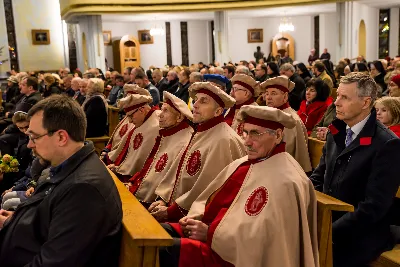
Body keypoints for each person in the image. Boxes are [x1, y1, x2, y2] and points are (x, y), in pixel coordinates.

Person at [159, 105, 319, 267]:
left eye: (256, 133)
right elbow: (211, 200)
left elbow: (263, 241)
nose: (247, 142)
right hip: (214, 235)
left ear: (278, 135)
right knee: (158, 232)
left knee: (161, 249)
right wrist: (195, 217)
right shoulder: (244, 162)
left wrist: (209, 234)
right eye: (245, 132)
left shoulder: (286, 180)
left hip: (229, 257)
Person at [0, 95, 122, 266]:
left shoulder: (84, 190)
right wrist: (14, 220)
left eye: (34, 137)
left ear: (61, 138)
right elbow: (51, 216)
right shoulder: (68, 167)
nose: (29, 145)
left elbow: (53, 262)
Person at [310, 72, 400, 266]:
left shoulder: (387, 144)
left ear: (366, 102)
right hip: (329, 220)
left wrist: (329, 230)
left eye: (344, 97)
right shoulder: (337, 131)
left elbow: (373, 207)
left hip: (362, 232)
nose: (336, 103)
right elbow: (318, 178)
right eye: (337, 96)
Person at [150, 82, 246, 222]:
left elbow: (207, 190)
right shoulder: (202, 131)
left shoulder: (223, 140)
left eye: (203, 101)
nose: (195, 104)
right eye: (196, 100)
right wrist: (164, 200)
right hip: (179, 209)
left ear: (218, 111)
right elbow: (179, 173)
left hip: (196, 219)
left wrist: (171, 212)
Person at [128, 92, 194, 206]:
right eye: (161, 109)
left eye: (166, 111)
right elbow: (150, 164)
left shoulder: (185, 141)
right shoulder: (168, 133)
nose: (159, 114)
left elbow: (176, 181)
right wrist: (134, 181)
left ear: (179, 117)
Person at [260, 76, 312, 173]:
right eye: (266, 94)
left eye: (273, 93)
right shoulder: (267, 114)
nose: (268, 97)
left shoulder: (291, 120)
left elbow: (289, 151)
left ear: (285, 97)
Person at [107, 94, 160, 182]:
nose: (130, 121)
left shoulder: (155, 126)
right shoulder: (144, 121)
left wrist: (120, 170)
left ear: (142, 110)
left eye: (131, 116)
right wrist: (119, 167)